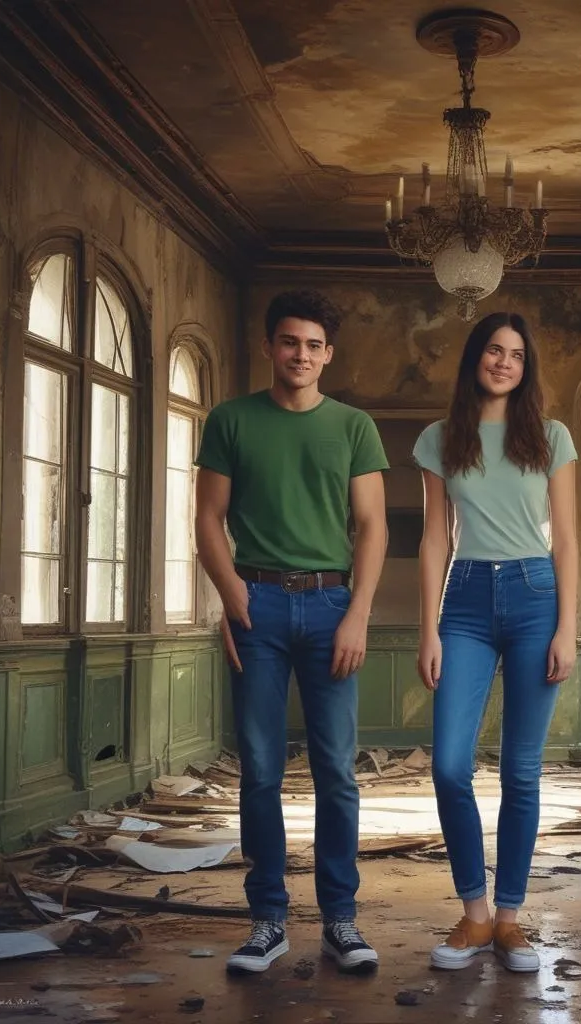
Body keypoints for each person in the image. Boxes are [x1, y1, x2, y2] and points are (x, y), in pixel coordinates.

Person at [194, 289, 388, 976]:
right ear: (270, 346)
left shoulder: (353, 426)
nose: (300, 354)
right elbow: (208, 520)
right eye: (289, 342)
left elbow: (372, 526)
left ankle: (340, 919)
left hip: (332, 604)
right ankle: (267, 921)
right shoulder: (230, 420)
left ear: (327, 354)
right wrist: (232, 596)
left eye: (313, 344)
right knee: (260, 772)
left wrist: (359, 613)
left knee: (337, 772)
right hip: (260, 607)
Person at [413, 311, 578, 974]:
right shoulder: (440, 439)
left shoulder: (551, 436)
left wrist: (568, 626)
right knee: (450, 765)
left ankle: (509, 919)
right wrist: (427, 626)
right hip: (467, 601)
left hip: (537, 596)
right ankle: (474, 914)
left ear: (525, 364)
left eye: (514, 353)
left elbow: (566, 538)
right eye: (492, 350)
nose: (503, 361)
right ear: (475, 358)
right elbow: (432, 539)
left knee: (521, 771)